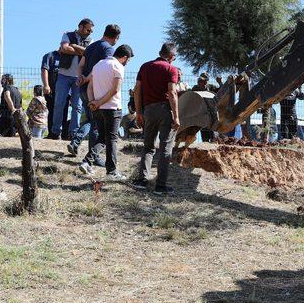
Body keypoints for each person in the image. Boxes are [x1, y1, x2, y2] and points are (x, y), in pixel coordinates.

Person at [131, 42, 180, 195]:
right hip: (165, 110)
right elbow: (172, 93)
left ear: (160, 52)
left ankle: (142, 180)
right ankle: (160, 186)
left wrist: (139, 112)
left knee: (148, 147)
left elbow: (137, 90)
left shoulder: (145, 67)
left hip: (149, 110)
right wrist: (176, 116)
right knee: (166, 148)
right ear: (172, 57)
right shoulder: (171, 69)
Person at [79, 44, 134, 181]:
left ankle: (87, 161)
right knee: (112, 139)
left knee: (102, 138)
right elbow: (115, 90)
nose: (128, 63)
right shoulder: (118, 67)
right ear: (124, 57)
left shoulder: (98, 65)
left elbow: (90, 86)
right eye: (129, 60)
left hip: (97, 108)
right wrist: (98, 102)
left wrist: (93, 101)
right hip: (112, 108)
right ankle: (112, 172)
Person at [68, 24, 121, 162]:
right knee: (97, 124)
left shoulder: (91, 46)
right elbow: (103, 67)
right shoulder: (108, 49)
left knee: (91, 120)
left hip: (83, 89)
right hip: (95, 89)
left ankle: (76, 143)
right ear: (116, 37)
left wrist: (81, 77)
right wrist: (87, 78)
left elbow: (80, 66)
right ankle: (94, 157)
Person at [51, 18, 94, 140]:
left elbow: (88, 53)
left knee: (77, 106)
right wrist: (81, 51)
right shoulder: (67, 35)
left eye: (91, 31)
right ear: (80, 27)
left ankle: (73, 133)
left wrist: (74, 46)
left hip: (79, 77)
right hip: (63, 75)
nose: (90, 33)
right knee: (59, 103)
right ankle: (55, 131)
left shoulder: (91, 40)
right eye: (88, 29)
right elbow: (64, 48)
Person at [41, 50, 69, 139]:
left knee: (64, 112)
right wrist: (46, 85)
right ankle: (52, 134)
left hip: (65, 91)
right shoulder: (50, 56)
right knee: (52, 111)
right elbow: (44, 70)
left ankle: (64, 134)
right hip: (52, 90)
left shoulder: (70, 57)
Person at [192, 72, 217, 142]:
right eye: (201, 81)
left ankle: (212, 141)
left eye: (205, 81)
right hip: (200, 113)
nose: (203, 83)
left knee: (211, 131)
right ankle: (205, 142)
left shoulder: (211, 87)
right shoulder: (195, 88)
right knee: (203, 130)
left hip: (211, 112)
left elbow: (220, 92)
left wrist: (220, 82)